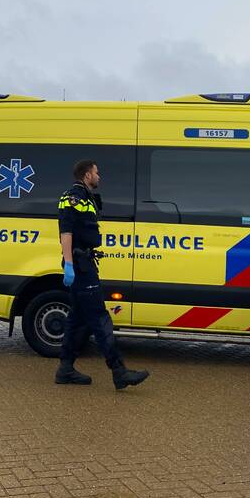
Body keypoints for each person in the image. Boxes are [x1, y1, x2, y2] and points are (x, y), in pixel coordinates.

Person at [55, 159, 149, 390]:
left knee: (77, 320)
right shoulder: (72, 198)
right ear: (87, 175)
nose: (100, 176)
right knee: (99, 318)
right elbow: (65, 231)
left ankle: (65, 369)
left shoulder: (86, 197)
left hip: (84, 261)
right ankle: (119, 371)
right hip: (79, 265)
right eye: (97, 172)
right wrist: (68, 263)